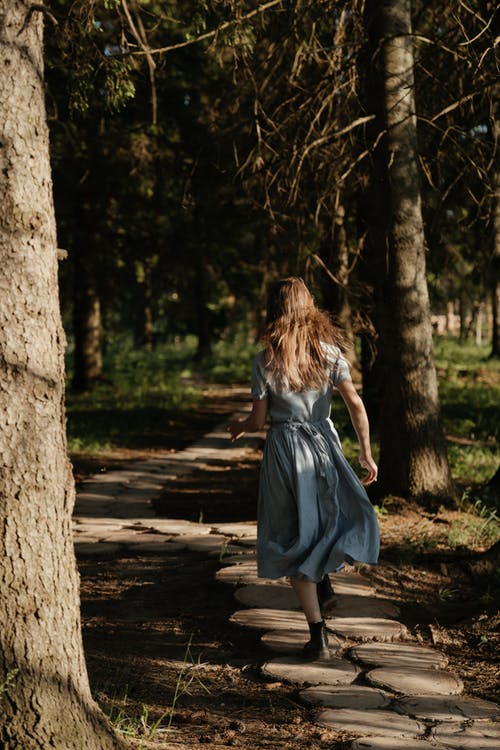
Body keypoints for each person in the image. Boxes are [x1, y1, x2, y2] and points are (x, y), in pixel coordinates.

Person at [227, 277, 379, 661]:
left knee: (292, 532)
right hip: (322, 445)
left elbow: (258, 421)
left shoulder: (265, 360)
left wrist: (239, 426)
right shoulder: (330, 354)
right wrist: (365, 452)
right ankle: (322, 581)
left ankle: (318, 637)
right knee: (328, 517)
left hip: (283, 451)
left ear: (274, 311)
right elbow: (356, 405)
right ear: (309, 308)